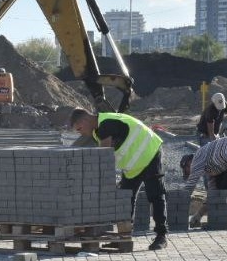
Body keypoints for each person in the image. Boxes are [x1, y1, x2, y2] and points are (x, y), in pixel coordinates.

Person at [70, 107, 168, 251]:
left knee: (155, 194)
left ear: (85, 119)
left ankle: (161, 236)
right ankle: (124, 237)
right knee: (125, 198)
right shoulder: (97, 131)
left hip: (149, 153)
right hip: (134, 166)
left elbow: (104, 157)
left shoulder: (106, 124)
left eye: (79, 128)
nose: (81, 133)